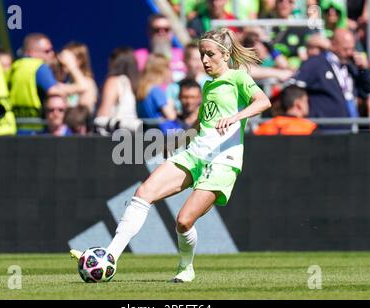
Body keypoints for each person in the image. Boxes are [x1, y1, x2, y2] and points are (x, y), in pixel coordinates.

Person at [70, 28, 271, 282]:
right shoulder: (208, 85)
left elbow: (263, 101)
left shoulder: (238, 78)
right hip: (195, 153)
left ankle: (186, 267)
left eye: (210, 54)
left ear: (226, 53)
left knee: (184, 222)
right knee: (143, 194)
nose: (205, 60)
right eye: (202, 55)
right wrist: (178, 141)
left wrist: (236, 117)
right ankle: (110, 256)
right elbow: (203, 122)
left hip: (223, 160)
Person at [293, 29, 370, 134]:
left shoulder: (351, 67)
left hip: (349, 131)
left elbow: (366, 92)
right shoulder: (316, 63)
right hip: (324, 133)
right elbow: (294, 87)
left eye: (352, 49)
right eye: (345, 49)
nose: (349, 53)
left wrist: (364, 70)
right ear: (333, 45)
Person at [8, 33, 88, 135]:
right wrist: (72, 66)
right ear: (31, 52)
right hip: (36, 129)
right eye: (47, 51)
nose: (51, 54)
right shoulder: (39, 67)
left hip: (16, 126)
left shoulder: (15, 66)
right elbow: (55, 91)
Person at [94, 47, 142, 136]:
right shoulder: (133, 84)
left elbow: (103, 114)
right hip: (131, 136)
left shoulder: (114, 82)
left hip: (114, 139)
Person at [136, 54, 180, 135]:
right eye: (168, 68)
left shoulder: (141, 89)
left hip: (146, 134)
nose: (170, 72)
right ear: (162, 70)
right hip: (162, 134)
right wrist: (171, 102)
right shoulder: (156, 90)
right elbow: (171, 116)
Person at [135, 14, 186, 83]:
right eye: (156, 30)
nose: (162, 33)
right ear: (149, 32)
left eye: (166, 29)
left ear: (171, 33)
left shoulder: (183, 55)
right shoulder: (138, 56)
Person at [60, 42, 99, 113]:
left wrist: (71, 66)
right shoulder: (68, 82)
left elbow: (85, 113)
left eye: (68, 59)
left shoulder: (89, 83)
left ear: (79, 61)